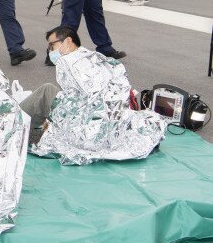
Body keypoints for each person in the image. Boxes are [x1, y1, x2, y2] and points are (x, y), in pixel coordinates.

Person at [31, 25, 165, 164]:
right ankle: (32, 127)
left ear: (68, 41)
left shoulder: (68, 61)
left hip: (88, 128)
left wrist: (51, 122)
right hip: (111, 126)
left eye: (52, 45)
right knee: (51, 95)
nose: (50, 51)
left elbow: (76, 101)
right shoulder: (93, 57)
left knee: (46, 91)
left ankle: (22, 125)